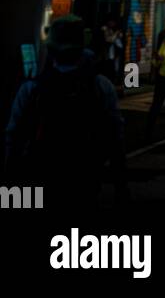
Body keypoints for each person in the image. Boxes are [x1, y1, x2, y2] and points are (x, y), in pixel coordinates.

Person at [6, 15, 126, 202]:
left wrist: (11, 184)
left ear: (51, 49)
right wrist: (120, 184)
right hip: (84, 174)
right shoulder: (100, 86)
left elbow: (14, 137)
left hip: (39, 171)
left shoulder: (33, 88)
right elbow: (115, 135)